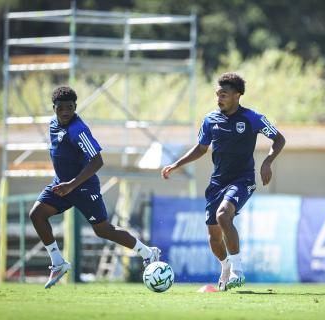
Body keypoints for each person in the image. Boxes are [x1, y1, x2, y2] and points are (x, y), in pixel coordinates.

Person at [161, 72, 285, 291]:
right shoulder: (210, 120)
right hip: (217, 183)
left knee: (223, 216)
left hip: (243, 179)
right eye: (217, 94)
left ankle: (238, 270)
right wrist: (176, 164)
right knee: (214, 239)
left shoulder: (252, 118)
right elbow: (201, 148)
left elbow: (279, 139)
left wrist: (267, 162)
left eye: (224, 95)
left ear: (237, 95)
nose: (219, 99)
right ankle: (226, 266)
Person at [29, 86, 160, 289]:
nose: (65, 112)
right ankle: (58, 263)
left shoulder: (78, 130)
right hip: (61, 185)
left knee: (103, 230)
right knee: (37, 214)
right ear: (53, 107)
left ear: (75, 107)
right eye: (61, 108)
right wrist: (65, 183)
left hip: (82, 187)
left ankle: (148, 253)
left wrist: (72, 184)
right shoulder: (53, 123)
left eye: (70, 108)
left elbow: (97, 161)